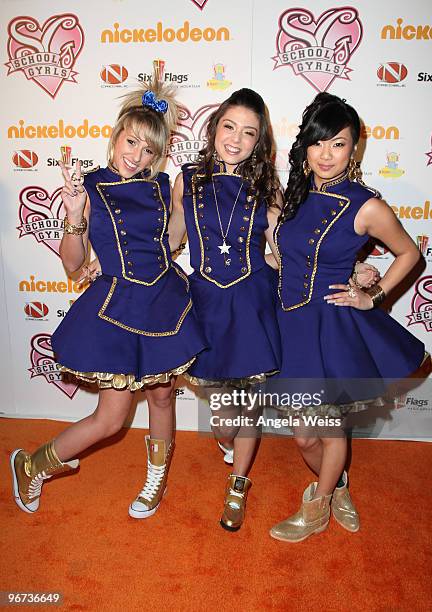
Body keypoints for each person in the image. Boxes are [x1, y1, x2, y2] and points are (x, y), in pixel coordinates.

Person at [10, 75, 207, 519]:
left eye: (148, 150)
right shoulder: (90, 186)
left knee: (161, 397)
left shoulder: (161, 185)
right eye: (131, 142)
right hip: (118, 305)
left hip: (165, 299)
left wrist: (181, 213)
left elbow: (169, 240)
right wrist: (75, 215)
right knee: (112, 419)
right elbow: (74, 265)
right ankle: (32, 464)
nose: (136, 156)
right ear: (116, 135)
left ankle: (156, 480)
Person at [268, 92, 426, 543]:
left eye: (338, 144)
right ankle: (337, 487)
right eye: (318, 143)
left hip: (328, 328)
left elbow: (409, 252)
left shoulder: (366, 204)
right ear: (305, 147)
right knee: (304, 436)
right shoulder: (296, 191)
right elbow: (286, 255)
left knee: (324, 429)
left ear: (354, 148)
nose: (326, 154)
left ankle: (315, 509)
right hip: (289, 322)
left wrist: (371, 296)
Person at [168, 88, 283, 531]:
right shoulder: (189, 178)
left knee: (248, 406)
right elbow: (172, 234)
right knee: (222, 419)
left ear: (259, 141)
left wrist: (344, 265)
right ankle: (229, 445)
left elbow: (283, 242)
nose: (235, 139)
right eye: (229, 127)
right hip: (208, 303)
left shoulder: (265, 184)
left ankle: (238, 489)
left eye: (248, 133)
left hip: (253, 303)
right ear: (215, 127)